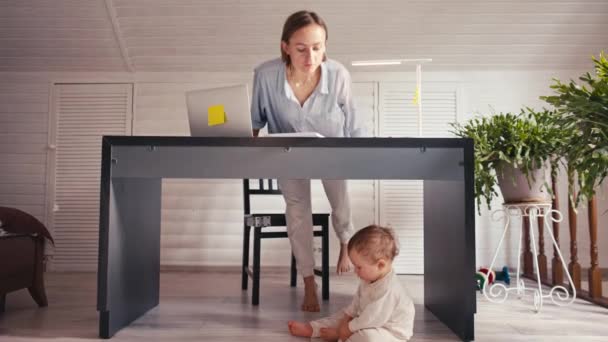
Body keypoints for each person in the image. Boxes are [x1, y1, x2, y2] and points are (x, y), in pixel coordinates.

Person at [250, 10, 366, 312]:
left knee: (339, 198)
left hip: (332, 152)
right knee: (298, 211)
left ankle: (345, 243)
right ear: (285, 46)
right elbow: (253, 124)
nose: (310, 56)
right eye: (301, 48)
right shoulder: (265, 75)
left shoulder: (338, 74)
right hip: (288, 156)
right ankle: (309, 284)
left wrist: (364, 154)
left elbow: (354, 123)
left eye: (317, 47)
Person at [287, 225, 415, 342]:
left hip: (388, 332)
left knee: (368, 337)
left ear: (380, 265)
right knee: (341, 316)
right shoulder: (369, 278)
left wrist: (345, 330)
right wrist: (348, 316)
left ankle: (340, 337)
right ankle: (313, 328)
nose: (355, 271)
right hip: (366, 319)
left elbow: (371, 319)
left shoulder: (389, 290)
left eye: (359, 267)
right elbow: (357, 302)